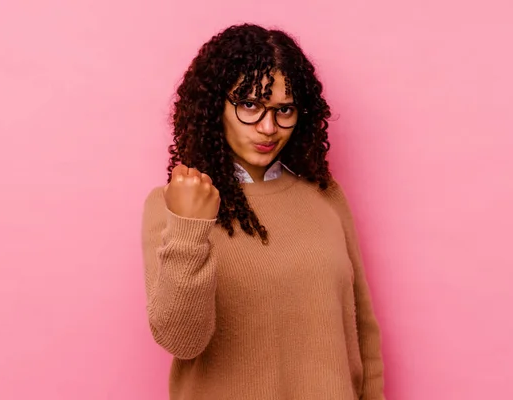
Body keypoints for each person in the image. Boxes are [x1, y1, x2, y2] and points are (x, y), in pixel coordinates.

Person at [141, 23, 387, 400]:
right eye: (250, 105)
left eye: (284, 109)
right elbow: (181, 341)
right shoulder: (172, 206)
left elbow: (362, 331)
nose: (269, 127)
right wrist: (190, 227)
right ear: (214, 106)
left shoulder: (325, 197)